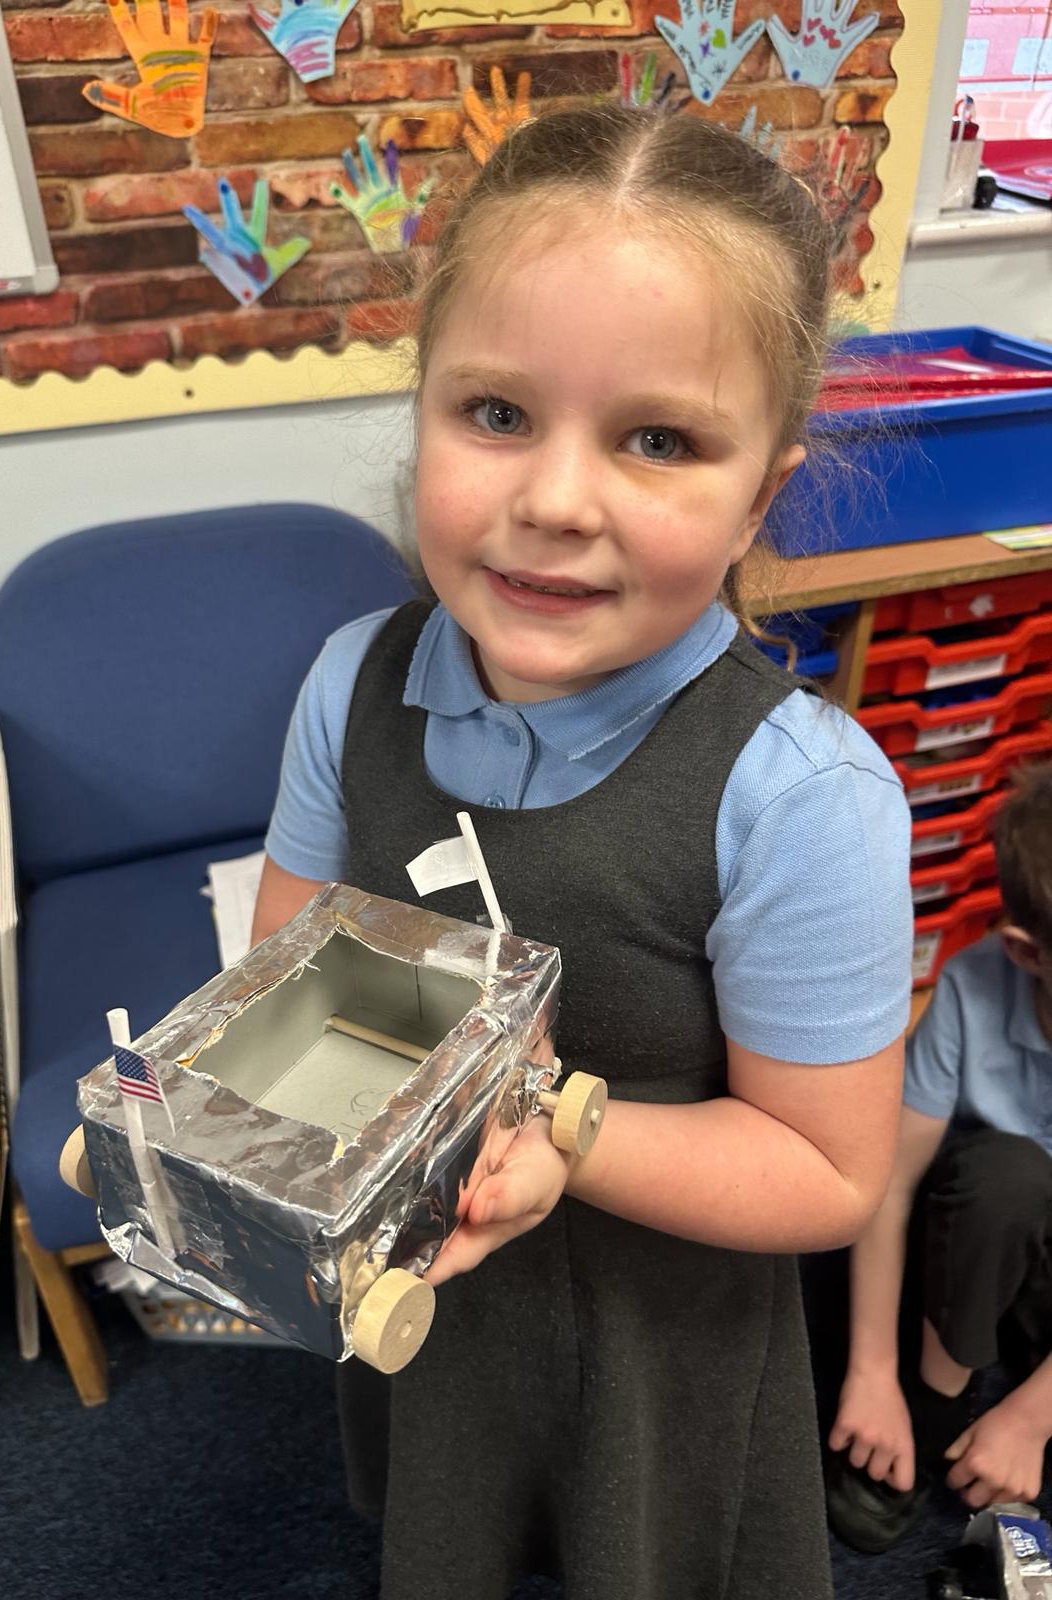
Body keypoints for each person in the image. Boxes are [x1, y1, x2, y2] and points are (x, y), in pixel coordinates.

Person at [251, 104, 913, 1599]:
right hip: (437, 1284)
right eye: (495, 413)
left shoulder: (803, 796)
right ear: (422, 405)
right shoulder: (351, 681)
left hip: (656, 1336)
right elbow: (289, 975)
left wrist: (556, 1125)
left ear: (761, 493)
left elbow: (827, 1172)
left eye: (658, 440)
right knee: (455, 1530)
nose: (554, 503)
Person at [827, 763, 1052, 1552]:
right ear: (1026, 953)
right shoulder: (970, 986)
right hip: (997, 1223)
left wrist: (1033, 1416)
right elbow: (885, 1185)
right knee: (1003, 1178)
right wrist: (872, 1375)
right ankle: (937, 1404)